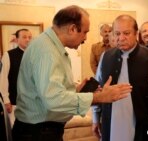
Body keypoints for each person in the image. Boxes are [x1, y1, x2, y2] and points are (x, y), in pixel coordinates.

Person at [12, 5, 132, 141]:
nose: (85, 38)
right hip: (39, 132)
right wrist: (99, 97)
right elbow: (53, 100)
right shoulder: (47, 52)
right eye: (85, 32)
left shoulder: (49, 46)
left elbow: (46, 91)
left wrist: (75, 91)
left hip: (42, 130)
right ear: (73, 29)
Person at [92, 15, 148, 141]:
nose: (121, 38)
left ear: (136, 33)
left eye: (126, 33)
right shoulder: (105, 57)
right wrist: (95, 118)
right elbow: (97, 89)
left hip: (141, 124)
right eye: (117, 33)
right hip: (110, 122)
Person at [0, 29, 32, 128]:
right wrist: (6, 100)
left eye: (30, 37)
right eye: (24, 37)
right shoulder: (8, 55)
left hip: (33, 103)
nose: (28, 40)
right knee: (16, 131)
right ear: (17, 40)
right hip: (14, 102)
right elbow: (3, 78)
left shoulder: (35, 55)